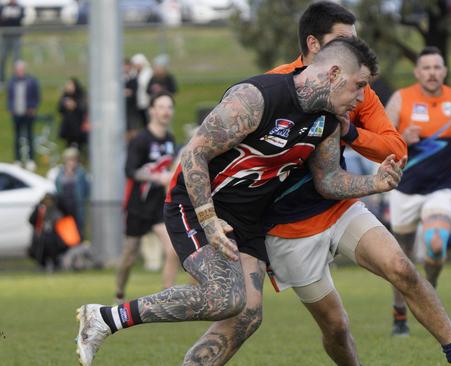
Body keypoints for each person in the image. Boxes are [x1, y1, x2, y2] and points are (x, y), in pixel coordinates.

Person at [76, 37, 404, 366]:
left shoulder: (328, 121)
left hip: (247, 221)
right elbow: (195, 153)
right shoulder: (257, 98)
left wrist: (374, 182)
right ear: (334, 73)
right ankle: (105, 318)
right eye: (359, 85)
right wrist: (208, 219)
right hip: (194, 204)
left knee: (247, 315)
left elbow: (328, 180)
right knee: (225, 299)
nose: (362, 98)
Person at [201, 3, 451, 366]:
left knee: (401, 267)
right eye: (344, 41)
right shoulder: (271, 89)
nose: (355, 49)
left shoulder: (357, 88)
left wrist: (347, 129)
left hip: (340, 206)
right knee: (336, 328)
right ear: (315, 45)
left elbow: (395, 147)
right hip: (288, 229)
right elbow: (217, 155)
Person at [384, 45, 451, 336]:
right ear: (417, 72)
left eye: (437, 67)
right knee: (401, 260)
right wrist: (401, 138)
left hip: (440, 189)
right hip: (404, 189)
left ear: (444, 71)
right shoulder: (401, 99)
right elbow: (379, 140)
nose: (432, 73)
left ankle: (428, 290)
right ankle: (400, 316)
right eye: (427, 68)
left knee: (436, 245)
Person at [113, 91, 180, 304]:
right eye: (161, 106)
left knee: (173, 248)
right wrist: (157, 177)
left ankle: (166, 296)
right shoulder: (141, 139)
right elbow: (130, 170)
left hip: (158, 208)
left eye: (169, 107)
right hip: (137, 207)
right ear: (152, 110)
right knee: (129, 256)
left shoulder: (170, 139)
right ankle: (119, 293)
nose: (165, 111)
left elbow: (170, 169)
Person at [46, 147, 90, 240]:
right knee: (65, 228)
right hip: (64, 206)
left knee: (78, 228)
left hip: (77, 205)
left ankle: (79, 247)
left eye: (73, 160)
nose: (71, 162)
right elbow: (57, 187)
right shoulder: (60, 173)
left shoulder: (81, 173)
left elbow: (86, 189)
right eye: (69, 160)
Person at [7, 59, 40, 171]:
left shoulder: (31, 81)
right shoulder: (12, 82)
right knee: (17, 137)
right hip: (17, 113)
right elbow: (10, 97)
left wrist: (33, 107)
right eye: (18, 69)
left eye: (21, 69)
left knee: (29, 136)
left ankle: (31, 160)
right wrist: (10, 108)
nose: (20, 71)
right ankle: (17, 160)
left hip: (28, 113)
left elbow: (36, 96)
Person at [57, 77, 88, 149]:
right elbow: (59, 109)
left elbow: (84, 108)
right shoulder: (65, 95)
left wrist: (75, 106)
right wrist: (65, 105)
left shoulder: (81, 95)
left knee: (78, 147)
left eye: (71, 85)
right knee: (68, 148)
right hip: (68, 128)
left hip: (78, 128)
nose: (69, 87)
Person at [0, 0, 24, 87]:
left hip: (16, 36)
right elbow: (2, 21)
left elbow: (19, 19)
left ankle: (16, 80)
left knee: (16, 60)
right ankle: (1, 80)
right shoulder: (3, 7)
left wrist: (8, 17)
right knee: (2, 58)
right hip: (5, 37)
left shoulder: (20, 7)